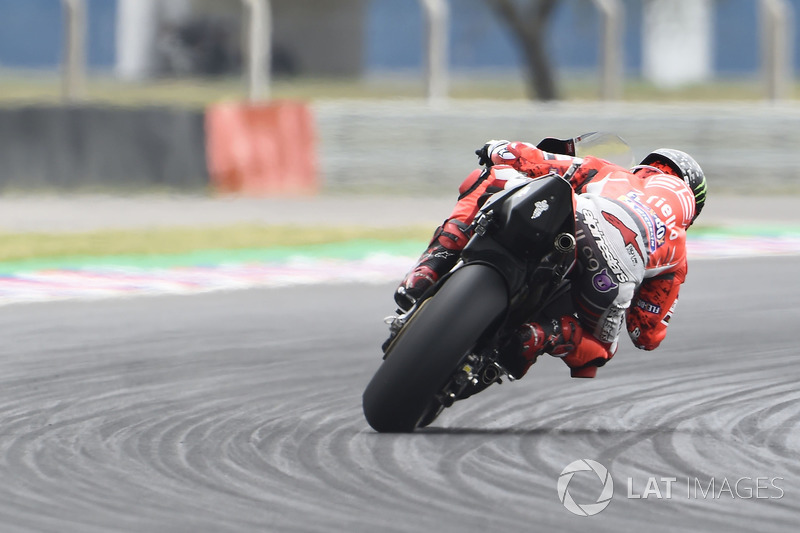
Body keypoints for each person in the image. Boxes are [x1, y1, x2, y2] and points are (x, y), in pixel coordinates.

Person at [394, 137, 707, 379]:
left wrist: (498, 150)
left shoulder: (615, 173)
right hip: (615, 278)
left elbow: (535, 160)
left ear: (646, 168)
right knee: (600, 350)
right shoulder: (678, 253)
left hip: (583, 217)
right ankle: (542, 336)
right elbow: (645, 335)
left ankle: (434, 261)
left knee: (492, 177)